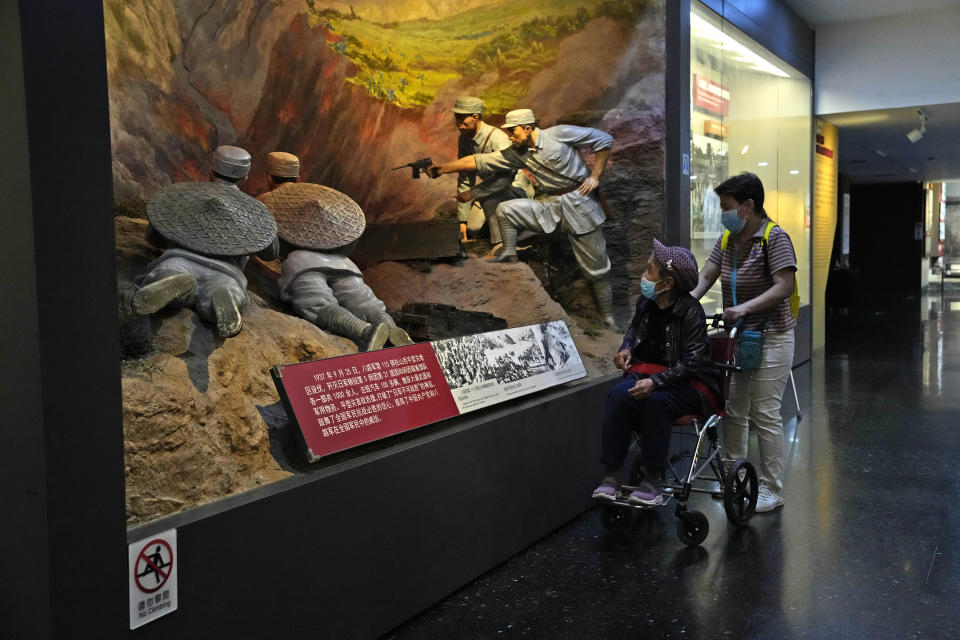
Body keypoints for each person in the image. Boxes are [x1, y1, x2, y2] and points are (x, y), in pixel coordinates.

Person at [428, 108, 616, 329]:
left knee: (596, 270)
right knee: (507, 210)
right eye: (507, 132)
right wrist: (443, 169)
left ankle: (608, 318)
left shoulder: (559, 134)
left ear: (528, 128)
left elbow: (604, 140)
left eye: (513, 131)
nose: (509, 136)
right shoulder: (517, 154)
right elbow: (481, 160)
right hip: (551, 206)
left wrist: (595, 177)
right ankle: (509, 253)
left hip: (581, 205)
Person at [690, 172, 797, 512]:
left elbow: (784, 285)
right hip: (738, 337)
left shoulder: (774, 238)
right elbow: (707, 274)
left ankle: (770, 488)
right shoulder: (729, 239)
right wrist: (687, 304)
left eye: (727, 207)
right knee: (734, 409)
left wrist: (744, 308)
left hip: (772, 336)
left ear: (748, 206)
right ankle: (736, 478)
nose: (723, 213)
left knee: (764, 412)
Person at [593, 240, 722, 506]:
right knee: (618, 396)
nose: (644, 275)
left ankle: (653, 479)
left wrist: (656, 382)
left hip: (688, 384)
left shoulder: (691, 312)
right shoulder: (646, 303)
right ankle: (611, 476)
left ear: (668, 282)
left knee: (655, 402)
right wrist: (626, 349)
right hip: (651, 376)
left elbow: (692, 364)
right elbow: (633, 332)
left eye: (650, 270)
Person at [258, 180, 414, 351]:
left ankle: (364, 331)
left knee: (320, 304)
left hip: (303, 263)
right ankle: (390, 328)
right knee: (365, 301)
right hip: (343, 264)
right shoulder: (343, 256)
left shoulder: (296, 254)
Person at [449, 96, 531, 248]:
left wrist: (475, 193)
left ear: (475, 117)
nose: (458, 125)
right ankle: (506, 226)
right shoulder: (464, 139)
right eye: (457, 119)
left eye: (462, 120)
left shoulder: (498, 138)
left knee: (489, 197)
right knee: (473, 228)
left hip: (514, 188)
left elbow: (505, 179)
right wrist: (462, 221)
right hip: (491, 188)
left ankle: (501, 244)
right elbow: (466, 178)